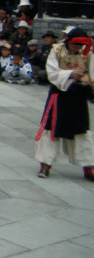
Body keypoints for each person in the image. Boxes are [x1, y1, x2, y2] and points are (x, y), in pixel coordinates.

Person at [34, 28, 94, 181]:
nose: (78, 47)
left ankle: (88, 166)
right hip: (58, 93)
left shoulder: (88, 53)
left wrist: (87, 81)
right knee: (50, 127)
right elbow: (51, 73)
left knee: (82, 130)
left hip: (78, 94)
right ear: (69, 42)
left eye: (81, 44)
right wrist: (69, 74)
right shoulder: (57, 50)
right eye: (76, 44)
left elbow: (92, 72)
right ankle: (45, 164)